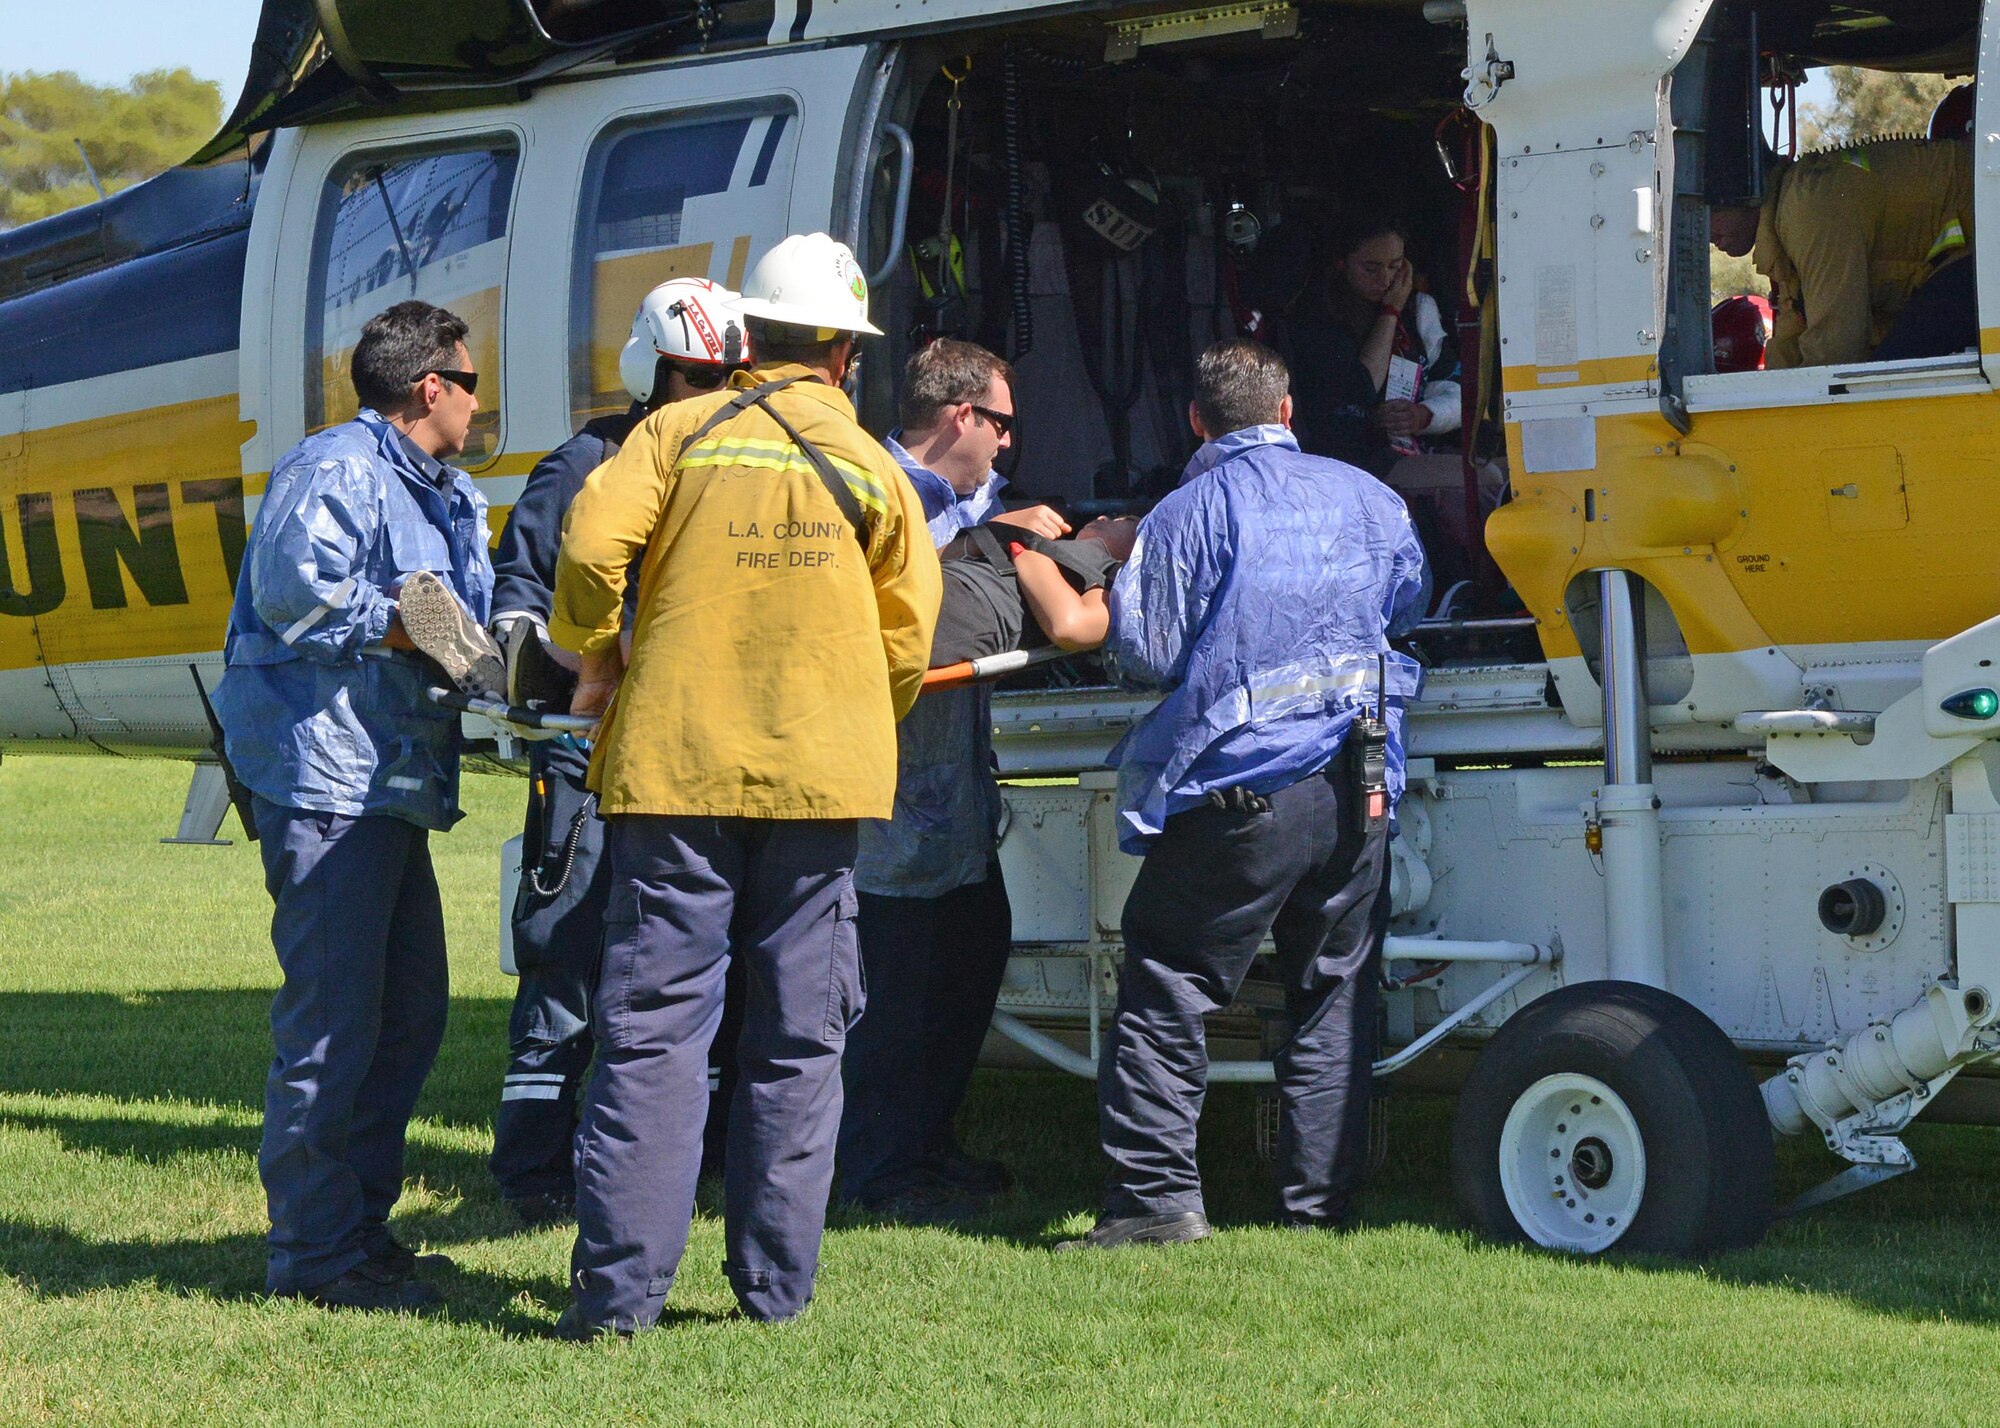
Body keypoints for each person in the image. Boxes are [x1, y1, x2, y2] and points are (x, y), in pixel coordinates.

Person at [548, 232, 941, 1334]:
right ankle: (773, 1296)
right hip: (821, 783)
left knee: (655, 1034)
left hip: (671, 770)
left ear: (747, 337)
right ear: (841, 357)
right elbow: (905, 640)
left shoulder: (674, 432)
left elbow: (586, 553)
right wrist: (851, 718)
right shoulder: (871, 465)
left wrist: (598, 650)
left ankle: (616, 1302)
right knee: (800, 1039)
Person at [1061, 339, 1425, 1252]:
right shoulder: (1371, 499)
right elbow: (1406, 603)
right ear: (1289, 411)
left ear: (1196, 421)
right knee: (1333, 990)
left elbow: (1143, 654)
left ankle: (1154, 1206)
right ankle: (1320, 1212)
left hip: (1242, 793)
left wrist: (1107, 568)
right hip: (1360, 780)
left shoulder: (1188, 513)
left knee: (1171, 978)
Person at [212, 299, 493, 1312]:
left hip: (389, 781)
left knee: (407, 1017)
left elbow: (466, 614)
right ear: (432, 387)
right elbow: (295, 594)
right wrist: (409, 627)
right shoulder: (339, 469)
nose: (476, 400)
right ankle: (313, 1258)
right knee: (334, 1025)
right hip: (326, 779)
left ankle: (360, 1234)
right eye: (468, 381)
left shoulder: (443, 491)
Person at [485, 277, 751, 1226]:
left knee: (692, 962)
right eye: (690, 375)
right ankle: (534, 1171)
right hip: (590, 758)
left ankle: (690, 1161)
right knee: (565, 956)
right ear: (650, 369)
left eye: (724, 375)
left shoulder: (744, 462)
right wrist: (579, 666)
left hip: (696, 755)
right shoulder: (589, 461)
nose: (708, 389)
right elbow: (519, 601)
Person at [839, 339, 1069, 1221]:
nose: (1008, 444)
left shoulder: (983, 504)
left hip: (961, 794)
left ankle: (930, 1144)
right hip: (886, 801)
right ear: (961, 415)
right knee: (892, 995)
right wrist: (994, 544)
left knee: (970, 963)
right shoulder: (869, 492)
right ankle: (878, 1170)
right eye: (1000, 424)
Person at [1709, 137, 1974, 369]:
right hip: (1968, 266)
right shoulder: (1784, 220)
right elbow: (1794, 335)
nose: (1709, 234)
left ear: (1748, 192)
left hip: (1983, 246)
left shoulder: (1809, 208)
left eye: (1713, 212)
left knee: (1888, 378)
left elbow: (1835, 349)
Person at [1284, 216, 1461, 477]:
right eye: (1371, 268)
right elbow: (1362, 386)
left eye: (1395, 267)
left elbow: (1455, 385)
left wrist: (1425, 415)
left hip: (1416, 448)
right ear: (1342, 263)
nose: (1386, 279)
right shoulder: (1319, 318)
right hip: (1352, 462)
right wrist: (1390, 312)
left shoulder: (1419, 310)